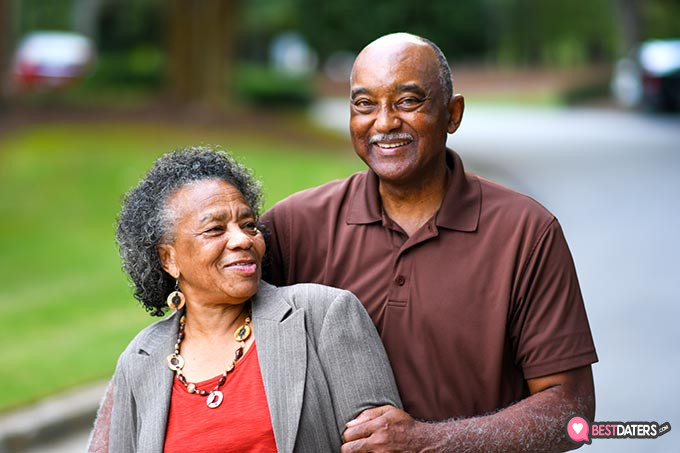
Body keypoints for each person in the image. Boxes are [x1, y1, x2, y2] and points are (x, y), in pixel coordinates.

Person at [262, 33, 598, 452]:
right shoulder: (296, 225)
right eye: (364, 104)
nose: (383, 122)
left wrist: (427, 442)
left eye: (407, 101)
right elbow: (209, 316)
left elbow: (572, 411)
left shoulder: (526, 232)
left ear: (452, 113)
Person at [87, 147, 401, 452]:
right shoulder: (140, 360)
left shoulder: (323, 315)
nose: (242, 240)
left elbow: (383, 446)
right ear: (168, 259)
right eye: (214, 229)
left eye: (248, 225)